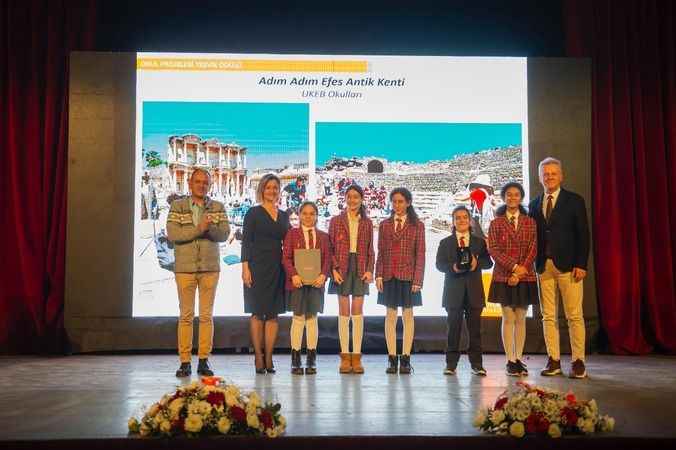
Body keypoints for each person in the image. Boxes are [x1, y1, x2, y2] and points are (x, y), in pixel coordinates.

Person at [529, 157, 590, 379]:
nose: (549, 177)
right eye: (545, 174)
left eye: (553, 173)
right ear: (540, 177)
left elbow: (583, 235)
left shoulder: (574, 200)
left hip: (569, 268)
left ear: (561, 175)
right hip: (543, 267)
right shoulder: (534, 204)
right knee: (548, 317)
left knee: (574, 316)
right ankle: (553, 361)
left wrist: (581, 264)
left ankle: (578, 361)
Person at [166, 168, 230, 377]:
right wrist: (200, 228)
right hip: (184, 269)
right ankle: (185, 362)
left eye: (205, 182)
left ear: (209, 185)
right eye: (198, 182)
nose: (201, 185)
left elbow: (224, 234)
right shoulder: (178, 206)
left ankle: (204, 361)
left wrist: (209, 228)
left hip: (210, 269)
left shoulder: (218, 207)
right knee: (185, 316)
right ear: (190, 184)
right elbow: (174, 234)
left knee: (206, 316)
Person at [487, 182, 538, 377]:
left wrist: (522, 270)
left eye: (516, 195)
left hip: (525, 276)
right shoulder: (496, 223)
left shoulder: (530, 222)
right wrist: (514, 268)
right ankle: (510, 360)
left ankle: (519, 358)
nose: (512, 198)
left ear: (521, 197)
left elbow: (534, 248)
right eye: (509, 195)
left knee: (521, 318)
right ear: (504, 197)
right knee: (508, 318)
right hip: (503, 276)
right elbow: (493, 249)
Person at [241, 174, 290, 374]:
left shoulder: (284, 215)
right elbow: (246, 242)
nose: (272, 191)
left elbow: (289, 241)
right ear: (262, 189)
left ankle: (269, 356)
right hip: (256, 267)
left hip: (277, 268)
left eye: (275, 187)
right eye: (268, 187)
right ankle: (258, 356)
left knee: (272, 315)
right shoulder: (252, 213)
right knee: (256, 312)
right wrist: (245, 268)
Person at [436, 205, 492, 376]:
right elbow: (439, 265)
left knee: (475, 330)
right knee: (453, 329)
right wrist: (453, 267)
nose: (461, 220)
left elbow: (488, 263)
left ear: (469, 220)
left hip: (474, 291)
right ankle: (450, 364)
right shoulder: (445, 243)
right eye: (457, 218)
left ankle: (477, 364)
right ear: (453, 222)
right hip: (453, 292)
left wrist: (477, 262)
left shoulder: (479, 242)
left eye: (464, 217)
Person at [376, 187, 425, 374]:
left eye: (401, 201)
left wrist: (418, 279)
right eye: (394, 201)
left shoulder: (417, 225)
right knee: (390, 316)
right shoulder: (384, 225)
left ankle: (405, 358)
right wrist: (378, 274)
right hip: (389, 275)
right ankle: (391, 358)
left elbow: (420, 254)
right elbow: (380, 252)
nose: (397, 205)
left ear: (408, 203)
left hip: (408, 277)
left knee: (408, 316)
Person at [328, 184, 375, 374]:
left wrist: (370, 270)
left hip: (360, 266)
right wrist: (333, 269)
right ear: (345, 198)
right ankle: (345, 356)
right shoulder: (336, 220)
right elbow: (330, 248)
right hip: (342, 267)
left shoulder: (367, 222)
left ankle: (356, 356)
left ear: (361, 199)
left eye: (356, 197)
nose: (353, 200)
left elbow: (371, 249)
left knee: (357, 312)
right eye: (350, 196)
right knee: (343, 312)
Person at [282, 202, 332, 375]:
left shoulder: (324, 237)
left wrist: (323, 275)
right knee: (298, 318)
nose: (308, 216)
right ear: (300, 215)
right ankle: (295, 359)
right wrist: (294, 275)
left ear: (317, 215)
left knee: (312, 319)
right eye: (305, 213)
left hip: (316, 283)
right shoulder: (292, 234)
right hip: (298, 282)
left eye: (312, 213)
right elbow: (286, 258)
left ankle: (311, 358)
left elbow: (328, 259)